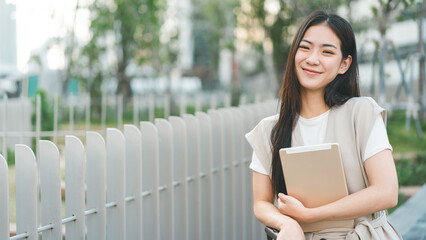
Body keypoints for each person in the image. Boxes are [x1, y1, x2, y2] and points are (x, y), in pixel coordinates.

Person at [245, 10, 402, 240]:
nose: (312, 59)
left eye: (327, 51)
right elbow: (261, 202)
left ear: (344, 64)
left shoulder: (361, 113)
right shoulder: (270, 131)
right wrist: (287, 224)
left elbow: (387, 192)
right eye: (305, 47)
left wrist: (310, 215)